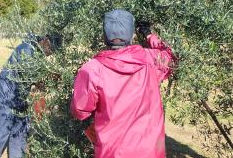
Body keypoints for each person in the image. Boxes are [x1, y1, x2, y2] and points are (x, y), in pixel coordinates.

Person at [70, 9, 175, 158]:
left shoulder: (92, 69)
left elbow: (79, 111)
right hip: (150, 152)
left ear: (104, 36)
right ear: (132, 35)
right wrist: (148, 34)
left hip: (112, 153)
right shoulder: (151, 59)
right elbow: (171, 54)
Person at [0, 33, 62, 158]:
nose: (50, 54)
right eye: (51, 49)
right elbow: (35, 77)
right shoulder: (26, 50)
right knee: (0, 136)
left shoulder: (36, 51)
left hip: (20, 99)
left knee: (19, 136)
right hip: (6, 97)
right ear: (46, 40)